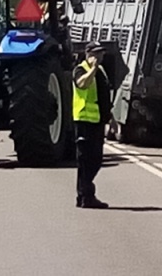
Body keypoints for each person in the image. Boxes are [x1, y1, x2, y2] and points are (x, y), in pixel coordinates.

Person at [73, 41, 112, 209]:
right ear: (88, 55)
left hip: (97, 121)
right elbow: (82, 84)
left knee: (96, 160)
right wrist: (93, 69)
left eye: (101, 53)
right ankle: (85, 196)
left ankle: (84, 194)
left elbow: (104, 96)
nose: (100, 57)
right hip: (84, 121)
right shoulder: (81, 69)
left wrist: (110, 117)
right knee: (85, 161)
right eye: (96, 54)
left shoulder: (101, 71)